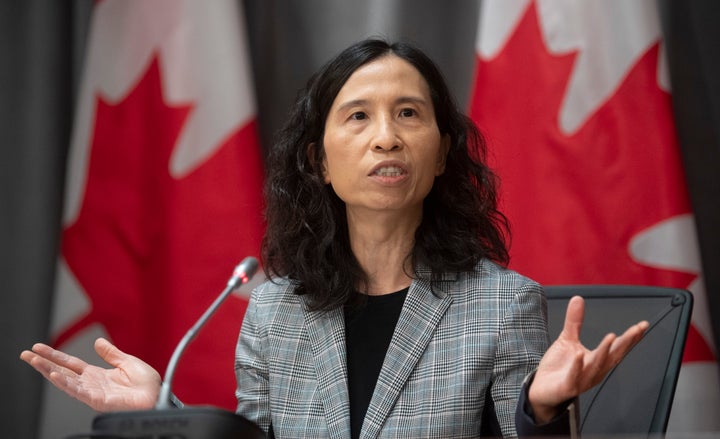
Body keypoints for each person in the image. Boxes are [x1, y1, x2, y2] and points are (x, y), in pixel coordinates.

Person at [21, 38, 648, 438]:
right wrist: (166, 412)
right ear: (321, 161)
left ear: (440, 155)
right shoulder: (272, 312)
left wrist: (540, 415)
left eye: (409, 113)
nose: (386, 138)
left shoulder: (502, 303)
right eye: (358, 116)